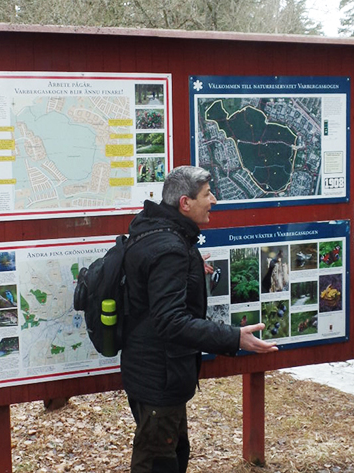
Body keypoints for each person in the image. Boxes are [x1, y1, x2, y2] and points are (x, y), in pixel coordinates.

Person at [121, 165, 278, 473]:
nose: (214, 200)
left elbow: (153, 285)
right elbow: (170, 321)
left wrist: (191, 268)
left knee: (173, 454)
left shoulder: (158, 232)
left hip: (154, 372)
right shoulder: (169, 248)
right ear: (185, 203)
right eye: (207, 195)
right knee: (158, 462)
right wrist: (234, 337)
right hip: (158, 378)